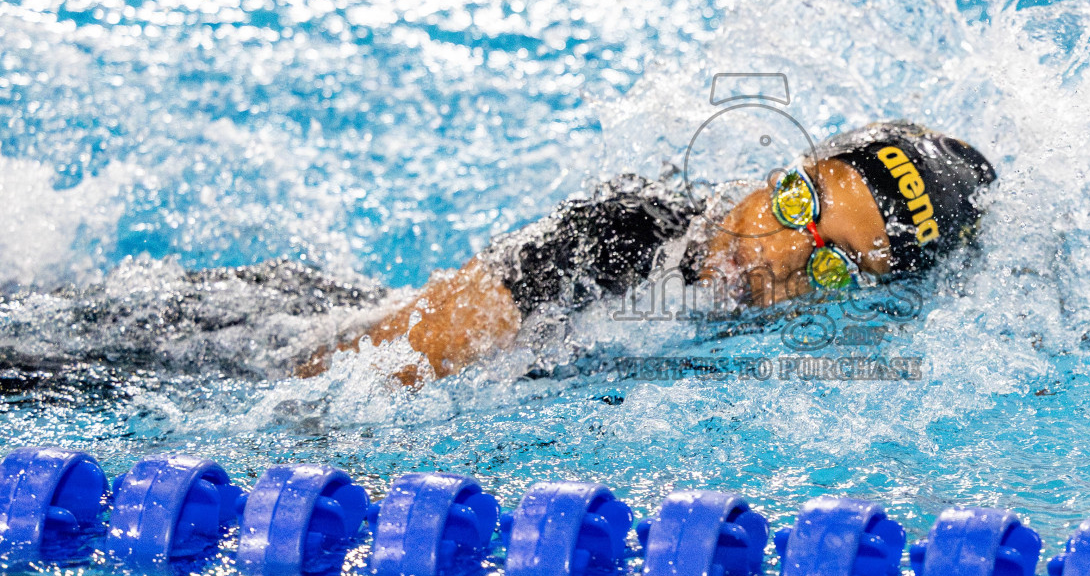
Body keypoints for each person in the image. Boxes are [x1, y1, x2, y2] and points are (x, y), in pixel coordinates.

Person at [298, 121, 997, 385]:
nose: (777, 255)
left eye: (831, 265)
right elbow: (358, 376)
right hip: (266, 331)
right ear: (783, 167)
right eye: (797, 203)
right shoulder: (621, 234)